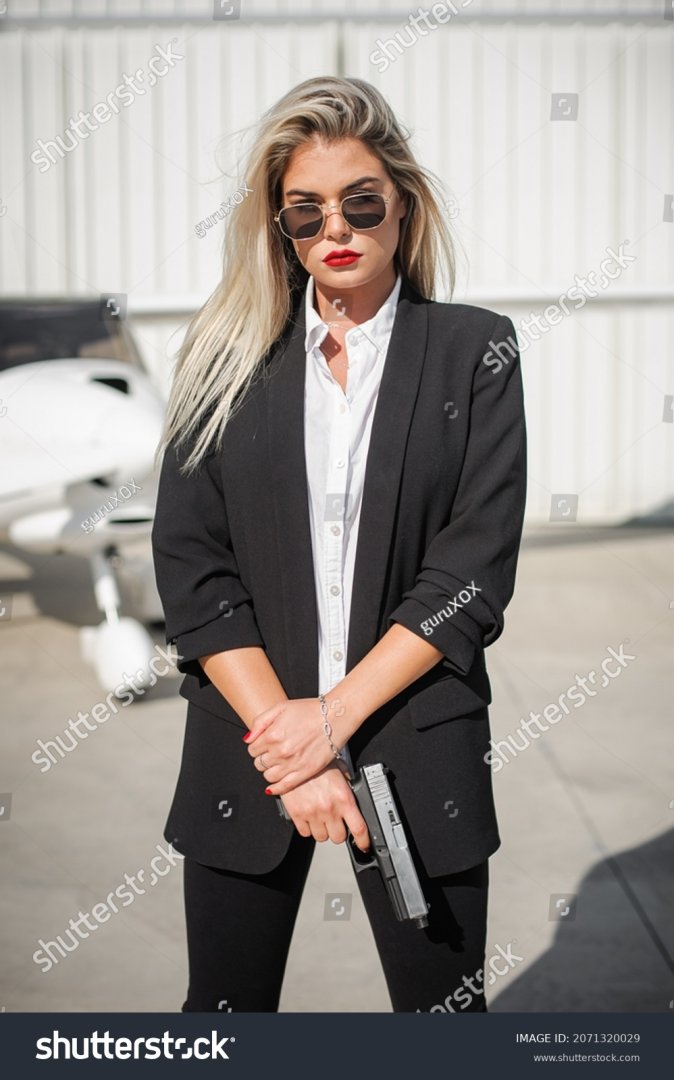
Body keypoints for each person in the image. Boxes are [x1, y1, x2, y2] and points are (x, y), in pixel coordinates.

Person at [151, 75, 527, 1014]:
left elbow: (468, 577)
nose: (338, 229)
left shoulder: (476, 352)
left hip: (414, 741)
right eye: (305, 211)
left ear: (404, 202)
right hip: (251, 744)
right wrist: (296, 743)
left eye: (362, 202)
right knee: (223, 1024)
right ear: (279, 226)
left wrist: (333, 719)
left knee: (444, 1029)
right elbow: (194, 571)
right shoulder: (223, 352)